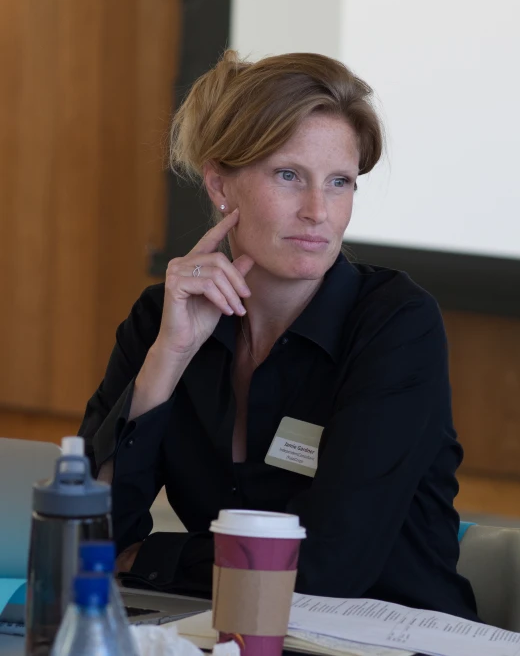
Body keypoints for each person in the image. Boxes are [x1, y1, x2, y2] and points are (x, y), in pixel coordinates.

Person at [79, 50, 478, 620]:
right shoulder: (162, 316)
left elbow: (329, 567)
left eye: (339, 182)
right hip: (230, 632)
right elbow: (86, 536)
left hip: (389, 637)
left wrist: (152, 556)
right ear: (220, 183)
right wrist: (167, 360)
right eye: (289, 176)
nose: (318, 210)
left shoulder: (396, 324)